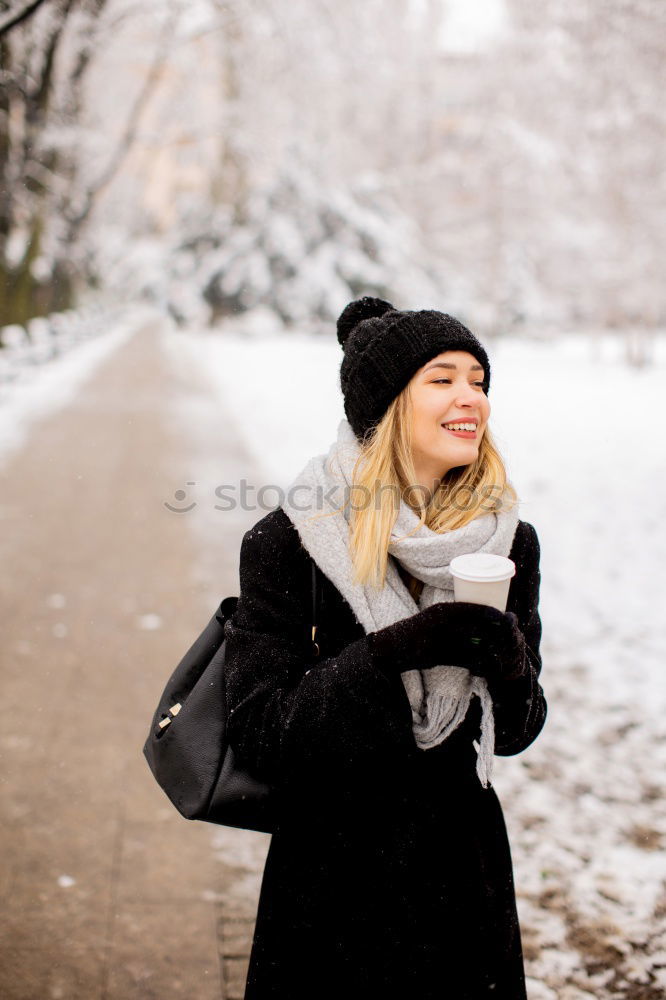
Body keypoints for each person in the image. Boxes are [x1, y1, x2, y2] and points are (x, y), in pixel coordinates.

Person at [223, 296, 546, 1000]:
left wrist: (509, 659)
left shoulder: (507, 541)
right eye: (444, 378)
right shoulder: (291, 542)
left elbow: (517, 731)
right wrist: (401, 649)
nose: (472, 398)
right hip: (330, 880)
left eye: (479, 381)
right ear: (388, 404)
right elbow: (263, 734)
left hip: (464, 877)